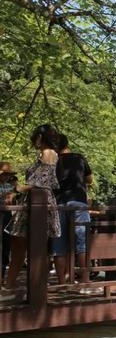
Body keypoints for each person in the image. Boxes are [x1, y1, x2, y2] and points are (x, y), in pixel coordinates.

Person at [2, 125, 61, 297]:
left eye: (36, 137)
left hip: (39, 202)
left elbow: (43, 180)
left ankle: (27, 288)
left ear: (41, 137)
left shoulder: (48, 153)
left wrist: (19, 188)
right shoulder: (47, 154)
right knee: (21, 243)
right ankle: (12, 286)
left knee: (30, 244)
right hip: (34, 200)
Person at [51, 134, 94, 289]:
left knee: (59, 243)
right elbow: (89, 180)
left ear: (55, 147)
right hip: (78, 201)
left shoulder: (54, 161)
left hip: (59, 203)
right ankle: (85, 279)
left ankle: (62, 282)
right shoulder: (80, 158)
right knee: (82, 241)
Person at [0, 162, 18, 280]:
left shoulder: (10, 186)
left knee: (6, 243)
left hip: (6, 215)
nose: (6, 176)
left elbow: (14, 199)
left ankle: (2, 273)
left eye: (8, 174)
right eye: (4, 174)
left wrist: (13, 195)